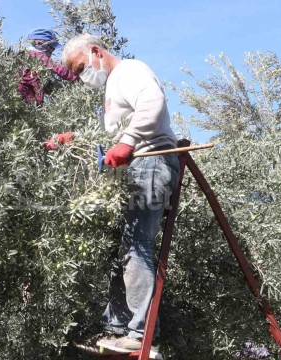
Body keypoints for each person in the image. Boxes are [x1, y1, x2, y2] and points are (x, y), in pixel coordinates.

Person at [56, 34, 180, 351]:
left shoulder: (130, 71)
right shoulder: (112, 88)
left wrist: (129, 142)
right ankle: (119, 327)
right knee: (123, 249)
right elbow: (109, 139)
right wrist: (74, 138)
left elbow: (152, 103)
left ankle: (140, 336)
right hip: (136, 168)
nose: (84, 76)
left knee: (137, 246)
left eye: (83, 67)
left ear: (96, 51)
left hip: (151, 162)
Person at [18, 28, 78, 108]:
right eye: (51, 46)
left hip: (29, 99)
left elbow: (40, 82)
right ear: (39, 43)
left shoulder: (26, 56)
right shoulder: (36, 55)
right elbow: (58, 69)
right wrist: (77, 77)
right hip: (25, 98)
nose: (52, 50)